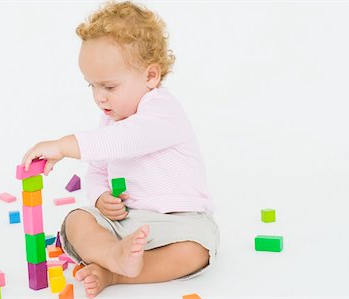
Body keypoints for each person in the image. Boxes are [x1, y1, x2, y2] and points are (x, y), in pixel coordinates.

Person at [21, 1, 219, 297]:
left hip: (179, 222)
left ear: (150, 77)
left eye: (109, 87)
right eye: (92, 86)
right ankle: (112, 254)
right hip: (124, 223)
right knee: (76, 221)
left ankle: (113, 273)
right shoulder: (109, 121)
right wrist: (100, 197)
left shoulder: (162, 112)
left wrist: (64, 146)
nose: (100, 98)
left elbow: (127, 140)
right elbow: (98, 170)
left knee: (197, 250)